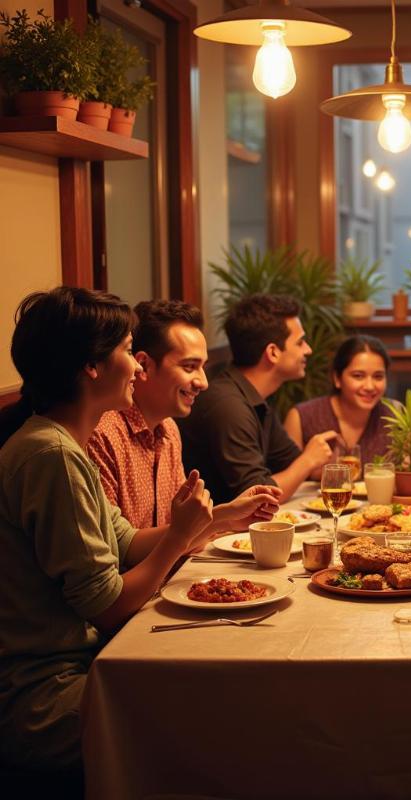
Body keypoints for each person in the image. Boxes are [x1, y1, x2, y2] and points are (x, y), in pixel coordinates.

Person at [0, 288, 220, 773]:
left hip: (88, 662)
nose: (139, 368)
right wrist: (180, 538)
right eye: (126, 351)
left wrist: (195, 523)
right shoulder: (50, 455)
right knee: (220, 713)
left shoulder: (63, 445)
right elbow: (110, 606)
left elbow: (124, 542)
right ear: (91, 367)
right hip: (46, 693)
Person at [87, 300, 279, 530]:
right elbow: (120, 551)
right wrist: (223, 519)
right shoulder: (102, 436)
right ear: (144, 366)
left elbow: (177, 533)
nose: (204, 382)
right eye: (189, 367)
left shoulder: (169, 428)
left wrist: (228, 518)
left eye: (203, 367)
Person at [178, 294, 339, 502]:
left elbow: (289, 463)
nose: (308, 350)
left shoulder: (255, 397)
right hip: (218, 533)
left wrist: (316, 461)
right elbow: (257, 496)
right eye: (300, 343)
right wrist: (308, 461)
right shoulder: (228, 405)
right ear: (272, 352)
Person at [284, 335, 392, 466]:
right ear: (337, 378)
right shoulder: (301, 417)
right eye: (358, 376)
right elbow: (285, 479)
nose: (369, 386)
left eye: (378, 376)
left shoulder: (394, 418)